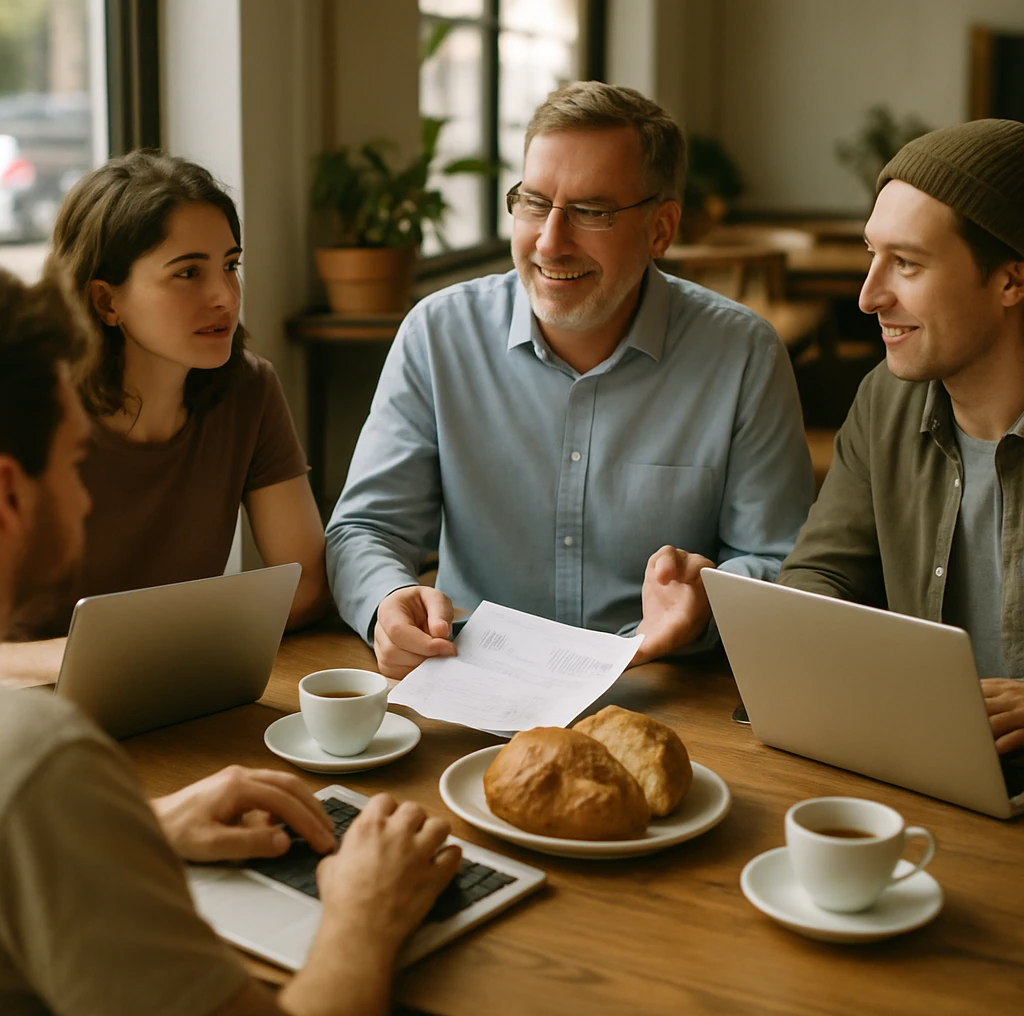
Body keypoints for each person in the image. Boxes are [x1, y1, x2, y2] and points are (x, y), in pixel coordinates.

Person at [0, 265, 462, 1016]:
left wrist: (130, 832)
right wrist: (365, 912)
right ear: (11, 495)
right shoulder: (36, 758)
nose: (86, 499)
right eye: (74, 464)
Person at [327, 81, 814, 679]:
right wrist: (385, 603)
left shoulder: (742, 354)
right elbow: (366, 528)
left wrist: (708, 600)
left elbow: (778, 558)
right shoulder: (438, 334)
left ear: (661, 229)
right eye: (534, 203)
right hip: (472, 684)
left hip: (663, 688)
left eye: (591, 212)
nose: (551, 243)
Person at [0, 152, 329, 684]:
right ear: (107, 301)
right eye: (187, 273)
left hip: (172, 697)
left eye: (230, 265)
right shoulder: (30, 404)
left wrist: (155, 655)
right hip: (30, 715)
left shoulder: (248, 390)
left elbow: (307, 583)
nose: (225, 296)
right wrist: (102, 658)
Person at [778, 119, 1024, 757]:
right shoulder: (885, 399)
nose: (867, 296)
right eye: (872, 255)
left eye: (907, 264)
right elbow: (820, 573)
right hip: (926, 765)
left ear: (1011, 281)